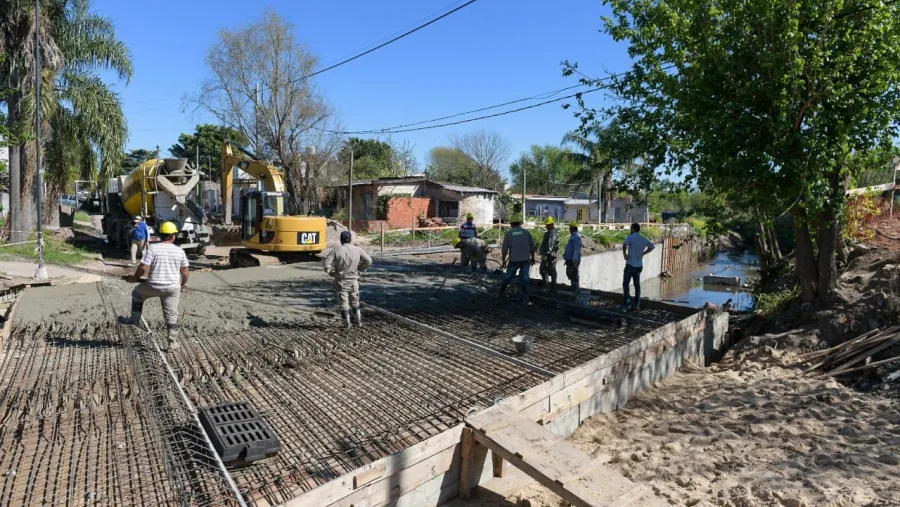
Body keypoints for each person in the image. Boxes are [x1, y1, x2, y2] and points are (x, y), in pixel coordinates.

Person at [120, 221, 189, 351]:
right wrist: (183, 284)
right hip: (172, 288)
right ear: (173, 236)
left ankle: (135, 319)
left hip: (153, 285)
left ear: (160, 235)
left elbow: (143, 267)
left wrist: (135, 278)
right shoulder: (179, 251)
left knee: (137, 293)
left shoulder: (153, 249)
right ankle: (172, 342)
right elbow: (185, 271)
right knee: (171, 314)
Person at [323, 231, 372, 328]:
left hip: (341, 281)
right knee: (355, 302)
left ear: (340, 240)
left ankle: (347, 324)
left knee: (343, 304)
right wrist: (360, 269)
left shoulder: (336, 250)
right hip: (354, 280)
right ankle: (358, 322)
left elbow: (326, 263)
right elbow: (368, 261)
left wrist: (331, 272)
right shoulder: (358, 249)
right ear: (350, 239)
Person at [499, 215, 536, 303]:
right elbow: (532, 246)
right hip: (525, 260)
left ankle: (501, 292)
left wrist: (503, 261)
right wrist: (533, 257)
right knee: (525, 278)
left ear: (511, 224)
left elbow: (504, 249)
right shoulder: (526, 232)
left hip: (514, 260)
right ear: (520, 223)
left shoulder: (509, 233)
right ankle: (525, 296)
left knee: (508, 276)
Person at [622, 222, 655, 310]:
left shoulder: (631, 237)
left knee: (626, 284)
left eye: (631, 228)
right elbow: (652, 247)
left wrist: (624, 254)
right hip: (639, 266)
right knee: (637, 285)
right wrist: (644, 253)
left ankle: (627, 304)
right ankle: (636, 304)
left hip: (630, 265)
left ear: (633, 229)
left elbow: (625, 244)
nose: (630, 230)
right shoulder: (643, 239)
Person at [538, 216, 560, 292]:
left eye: (547, 224)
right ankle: (553, 287)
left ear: (551, 224)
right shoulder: (553, 232)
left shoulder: (552, 233)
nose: (546, 226)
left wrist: (545, 255)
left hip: (549, 255)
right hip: (552, 255)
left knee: (543, 270)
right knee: (551, 271)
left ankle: (547, 287)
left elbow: (550, 245)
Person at [564, 221, 582, 295]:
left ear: (572, 228)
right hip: (570, 259)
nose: (569, 230)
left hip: (573, 260)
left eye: (570, 228)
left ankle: (575, 292)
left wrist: (574, 261)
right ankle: (574, 290)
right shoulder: (574, 236)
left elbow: (576, 250)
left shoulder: (576, 237)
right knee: (570, 274)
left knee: (574, 275)